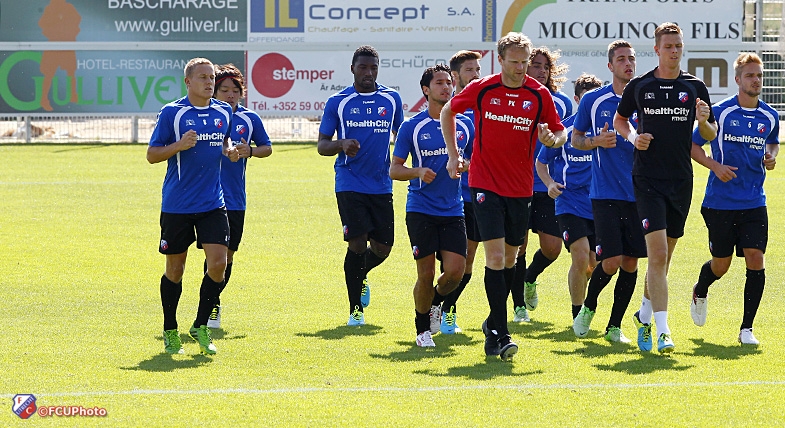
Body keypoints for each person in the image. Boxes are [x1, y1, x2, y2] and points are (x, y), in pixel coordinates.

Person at [441, 32, 567, 361]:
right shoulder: (484, 89)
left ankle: (491, 322)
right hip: (485, 185)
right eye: (515, 62)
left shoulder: (538, 94)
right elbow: (448, 112)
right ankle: (499, 334)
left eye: (525, 62)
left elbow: (559, 132)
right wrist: (454, 155)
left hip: (521, 188)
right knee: (495, 259)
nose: (521, 68)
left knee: (511, 260)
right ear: (501, 60)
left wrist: (551, 139)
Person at [614, 22, 717, 353]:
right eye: (668, 46)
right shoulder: (641, 86)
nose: (674, 51)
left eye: (678, 46)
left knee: (665, 256)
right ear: (657, 49)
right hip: (646, 180)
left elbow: (710, 135)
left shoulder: (695, 86)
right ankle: (663, 330)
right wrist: (633, 137)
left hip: (681, 181)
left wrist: (703, 121)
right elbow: (620, 120)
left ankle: (644, 313)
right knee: (657, 253)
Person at [147, 57, 239, 355]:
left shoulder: (224, 111)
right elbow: (152, 154)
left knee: (218, 265)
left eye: (211, 77)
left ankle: (200, 325)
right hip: (177, 205)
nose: (209, 82)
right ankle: (170, 329)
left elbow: (222, 142)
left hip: (214, 202)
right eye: (202, 77)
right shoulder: (173, 113)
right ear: (188, 82)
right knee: (175, 269)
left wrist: (230, 151)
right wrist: (178, 145)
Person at [689, 52, 779, 346]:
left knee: (755, 259)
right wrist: (715, 166)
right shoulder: (721, 112)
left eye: (759, 75)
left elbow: (774, 142)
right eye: (750, 75)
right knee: (721, 265)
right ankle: (701, 288)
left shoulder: (769, 115)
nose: (756, 80)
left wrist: (771, 156)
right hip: (720, 203)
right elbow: (693, 145)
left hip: (755, 202)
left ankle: (746, 329)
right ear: (738, 79)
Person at [317, 45, 404, 326]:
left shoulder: (391, 99)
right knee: (356, 243)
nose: (368, 73)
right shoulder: (338, 102)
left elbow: (402, 136)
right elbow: (322, 145)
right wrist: (341, 144)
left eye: (373, 68)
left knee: (383, 247)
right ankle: (355, 309)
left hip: (381, 184)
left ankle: (360, 274)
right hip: (349, 181)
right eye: (363, 67)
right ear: (353, 69)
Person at [390, 64, 474, 347]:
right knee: (425, 274)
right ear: (426, 90)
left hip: (453, 209)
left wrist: (465, 164)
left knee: (455, 272)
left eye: (448, 82)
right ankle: (422, 330)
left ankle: (435, 303)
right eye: (439, 83)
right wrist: (417, 172)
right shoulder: (412, 127)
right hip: (421, 208)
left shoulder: (465, 124)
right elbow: (394, 169)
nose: (446, 87)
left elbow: (476, 160)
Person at [571, 40, 646, 344]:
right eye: (621, 59)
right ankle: (589, 307)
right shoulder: (594, 100)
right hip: (604, 194)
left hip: (641, 194)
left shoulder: (647, 98)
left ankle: (614, 326)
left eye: (631, 58)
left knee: (631, 262)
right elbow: (576, 139)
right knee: (611, 261)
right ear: (610, 66)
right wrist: (595, 142)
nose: (628, 63)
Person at [202, 63, 273, 329]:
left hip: (235, 199)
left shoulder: (249, 119)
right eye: (225, 89)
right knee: (213, 256)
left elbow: (267, 148)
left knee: (227, 256)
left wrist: (250, 151)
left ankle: (212, 299)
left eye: (235, 90)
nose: (230, 94)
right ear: (215, 91)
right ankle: (210, 307)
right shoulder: (205, 116)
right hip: (206, 197)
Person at [511, 46, 574, 323]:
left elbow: (569, 143)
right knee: (518, 248)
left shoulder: (562, 104)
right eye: (535, 65)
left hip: (549, 186)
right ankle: (518, 308)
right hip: (517, 185)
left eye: (545, 67)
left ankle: (529, 278)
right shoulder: (515, 98)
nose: (540, 70)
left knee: (552, 249)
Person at [536, 73, 602, 325]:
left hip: (599, 204)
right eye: (586, 99)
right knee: (581, 255)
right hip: (568, 202)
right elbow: (541, 163)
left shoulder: (606, 131)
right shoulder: (563, 132)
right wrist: (550, 184)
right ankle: (578, 315)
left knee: (595, 264)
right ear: (577, 100)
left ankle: (585, 304)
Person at [439, 50, 483, 335]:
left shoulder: (486, 104)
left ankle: (447, 308)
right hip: (446, 198)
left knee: (467, 261)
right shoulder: (448, 108)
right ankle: (435, 309)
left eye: (478, 69)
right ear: (455, 76)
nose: (476, 75)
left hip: (479, 192)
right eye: (469, 70)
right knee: (447, 261)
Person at [38, 0, 80, 111]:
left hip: (67, 46)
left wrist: (69, 31)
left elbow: (77, 22)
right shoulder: (50, 9)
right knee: (48, 74)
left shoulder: (69, 8)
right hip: (53, 46)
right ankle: (43, 99)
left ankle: (73, 97)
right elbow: (42, 23)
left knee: (71, 72)